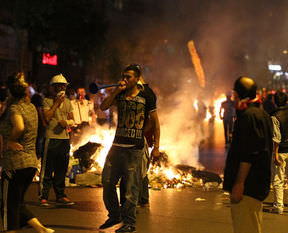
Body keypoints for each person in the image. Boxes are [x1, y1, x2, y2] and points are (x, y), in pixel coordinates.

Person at [99, 64, 160, 233]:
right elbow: (103, 107)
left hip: (135, 148)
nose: (124, 79)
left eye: (128, 77)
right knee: (107, 181)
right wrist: (116, 91)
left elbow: (155, 121)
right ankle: (114, 215)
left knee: (131, 189)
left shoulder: (147, 94)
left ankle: (129, 223)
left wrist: (157, 147)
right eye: (123, 76)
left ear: (137, 78)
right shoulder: (120, 94)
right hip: (117, 146)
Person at [0, 72, 54, 233]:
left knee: (8, 206)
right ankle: (41, 229)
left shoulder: (15, 108)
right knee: (17, 203)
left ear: (10, 92)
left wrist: (10, 140)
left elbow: (19, 127)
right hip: (30, 163)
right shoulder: (30, 107)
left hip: (15, 163)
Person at [223, 76, 273, 233]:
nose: (233, 96)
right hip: (257, 185)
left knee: (245, 227)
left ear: (239, 94)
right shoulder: (262, 114)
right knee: (253, 226)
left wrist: (239, 183)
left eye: (235, 93)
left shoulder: (248, 117)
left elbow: (248, 154)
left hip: (248, 188)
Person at [39, 74, 75, 207]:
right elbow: (47, 117)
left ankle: (60, 195)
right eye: (58, 86)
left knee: (62, 168)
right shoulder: (47, 101)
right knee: (47, 168)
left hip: (64, 139)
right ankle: (43, 196)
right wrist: (56, 103)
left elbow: (73, 119)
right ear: (52, 88)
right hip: (51, 138)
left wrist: (67, 122)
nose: (61, 89)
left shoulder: (68, 102)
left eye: (63, 86)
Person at [271, 91, 288, 214]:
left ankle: (278, 206)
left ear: (274, 101)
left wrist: (275, 154)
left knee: (278, 179)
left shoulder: (275, 116)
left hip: (281, 151)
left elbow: (276, 138)